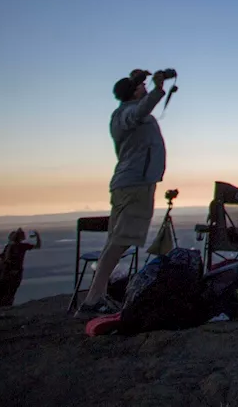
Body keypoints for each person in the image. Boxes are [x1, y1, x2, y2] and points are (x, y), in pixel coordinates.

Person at [77, 68, 172, 317]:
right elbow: (140, 110)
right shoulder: (127, 113)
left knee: (115, 241)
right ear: (132, 94)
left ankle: (95, 297)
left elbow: (138, 105)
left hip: (129, 184)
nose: (144, 89)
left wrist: (139, 80)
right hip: (135, 185)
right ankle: (92, 300)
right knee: (121, 240)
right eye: (140, 87)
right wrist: (158, 89)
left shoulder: (122, 115)